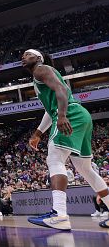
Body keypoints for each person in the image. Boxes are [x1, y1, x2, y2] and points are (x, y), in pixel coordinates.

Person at [23, 49, 109, 231]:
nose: (23, 57)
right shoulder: (42, 75)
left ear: (38, 57)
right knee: (86, 170)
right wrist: (38, 132)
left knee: (54, 158)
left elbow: (61, 91)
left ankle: (59, 214)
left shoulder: (41, 69)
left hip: (70, 113)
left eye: (27, 54)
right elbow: (49, 109)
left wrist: (62, 115)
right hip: (80, 115)